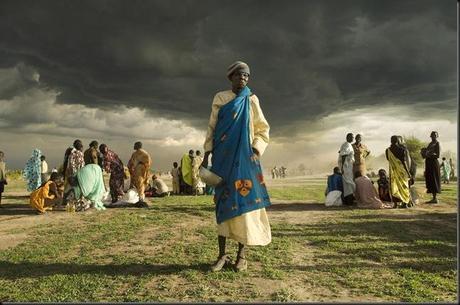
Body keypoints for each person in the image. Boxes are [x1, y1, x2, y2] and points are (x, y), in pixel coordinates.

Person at [202, 61, 271, 272]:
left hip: (244, 160)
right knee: (223, 204)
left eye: (247, 76)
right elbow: (212, 127)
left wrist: (256, 150)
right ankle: (222, 255)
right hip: (222, 159)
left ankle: (242, 255)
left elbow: (262, 129)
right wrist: (206, 154)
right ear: (230, 77)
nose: (243, 78)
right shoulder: (220, 98)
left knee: (244, 206)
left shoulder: (251, 100)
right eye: (239, 75)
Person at [386, 135, 412, 208]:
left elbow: (389, 160)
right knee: (404, 186)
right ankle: (405, 202)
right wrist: (408, 172)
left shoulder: (387, 150)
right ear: (398, 141)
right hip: (402, 171)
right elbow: (404, 162)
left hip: (393, 171)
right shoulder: (402, 150)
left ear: (391, 141)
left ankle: (395, 204)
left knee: (394, 186)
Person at [127, 141, 152, 207]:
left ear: (137, 146)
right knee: (141, 184)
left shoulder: (139, 153)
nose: (133, 146)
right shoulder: (143, 153)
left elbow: (130, 163)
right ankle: (141, 198)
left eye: (135, 145)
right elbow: (149, 162)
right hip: (143, 170)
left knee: (140, 184)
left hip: (139, 170)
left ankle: (141, 199)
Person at [421, 131, 441, 203]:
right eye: (432, 135)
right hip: (429, 163)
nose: (433, 136)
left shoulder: (437, 143)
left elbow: (438, 155)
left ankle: (435, 198)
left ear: (437, 136)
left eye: (435, 135)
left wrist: (428, 155)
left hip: (433, 163)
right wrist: (424, 152)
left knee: (434, 179)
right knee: (430, 179)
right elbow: (426, 153)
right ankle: (433, 198)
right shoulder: (430, 144)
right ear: (430, 136)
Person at [338, 133, 356, 205]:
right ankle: (349, 201)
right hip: (346, 166)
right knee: (348, 183)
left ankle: (348, 200)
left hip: (348, 166)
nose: (353, 138)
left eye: (353, 137)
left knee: (348, 183)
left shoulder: (347, 145)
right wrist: (342, 167)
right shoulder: (347, 144)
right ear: (347, 137)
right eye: (351, 137)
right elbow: (343, 155)